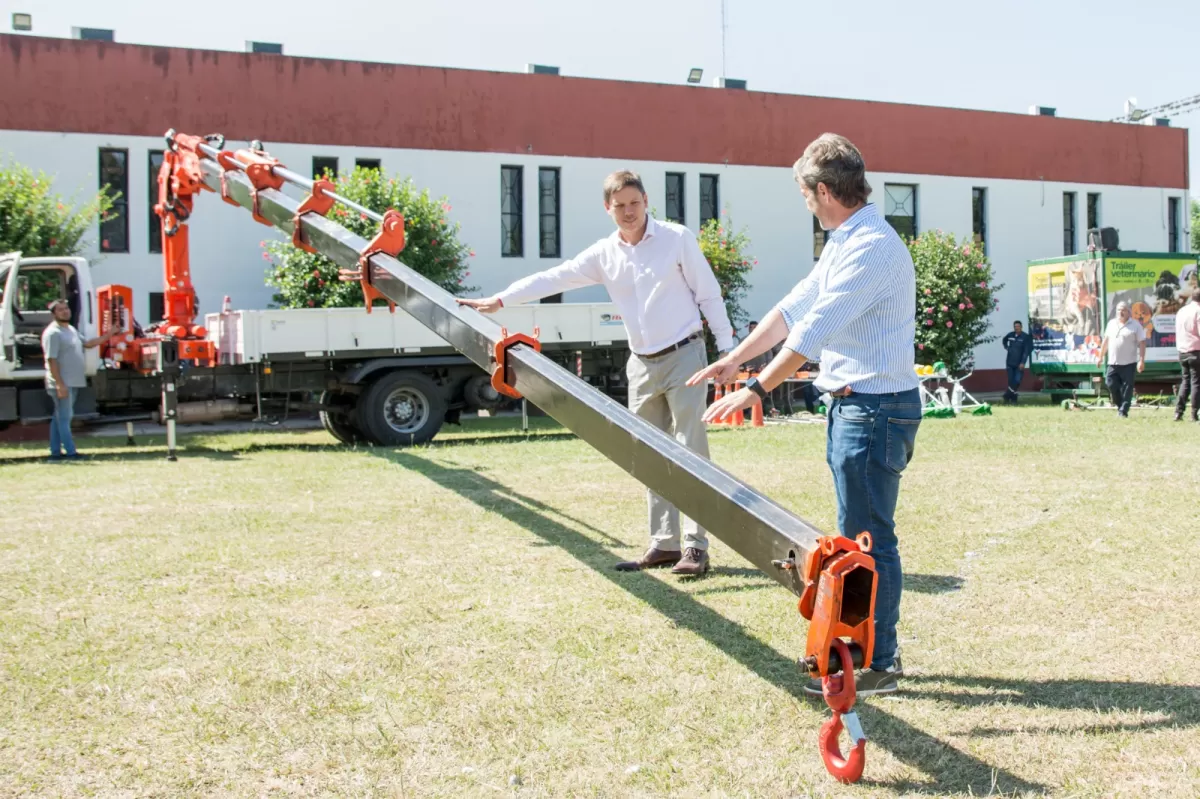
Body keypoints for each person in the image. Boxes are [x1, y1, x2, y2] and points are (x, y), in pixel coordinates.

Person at [689, 133, 920, 696]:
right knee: (858, 537)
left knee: (869, 541)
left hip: (874, 410)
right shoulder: (847, 239)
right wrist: (735, 360)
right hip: (857, 408)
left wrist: (757, 389)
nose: (807, 206)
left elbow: (813, 331)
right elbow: (794, 308)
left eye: (806, 196)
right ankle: (864, 653)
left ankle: (879, 662)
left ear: (824, 191)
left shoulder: (871, 246)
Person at [455, 170, 734, 577]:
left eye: (634, 203)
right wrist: (501, 300)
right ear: (608, 208)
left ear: (646, 201)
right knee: (649, 453)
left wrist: (726, 349)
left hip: (685, 355)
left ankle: (696, 547)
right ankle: (664, 544)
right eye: (620, 205)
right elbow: (555, 276)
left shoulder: (677, 239)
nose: (628, 212)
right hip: (641, 363)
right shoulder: (605, 254)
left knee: (691, 450)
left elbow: (708, 294)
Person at [42, 299, 113, 461]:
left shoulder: (71, 329)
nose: (65, 311)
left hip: (72, 381)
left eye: (66, 308)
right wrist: (59, 384)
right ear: (53, 314)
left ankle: (55, 454)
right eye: (60, 310)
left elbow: (88, 344)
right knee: (65, 418)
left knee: (59, 418)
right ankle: (71, 453)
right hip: (62, 382)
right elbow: (51, 360)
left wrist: (110, 334)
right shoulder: (53, 333)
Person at [1096, 300, 1146, 418]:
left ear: (1129, 312)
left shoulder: (1135, 325)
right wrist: (1100, 356)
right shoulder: (1111, 324)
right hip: (1113, 362)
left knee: (1128, 388)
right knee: (1110, 383)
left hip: (1129, 363)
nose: (1121, 312)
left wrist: (1141, 360)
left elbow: (1142, 342)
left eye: (1123, 310)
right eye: (1118, 310)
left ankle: (1123, 411)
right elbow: (1106, 341)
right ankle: (1120, 405)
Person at [1174, 289, 1200, 423]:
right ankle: (1194, 414)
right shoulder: (1198, 311)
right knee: (1196, 383)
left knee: (1185, 382)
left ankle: (1178, 412)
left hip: (1183, 351)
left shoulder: (1182, 311)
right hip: (1196, 351)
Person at [1001, 321, 1033, 404]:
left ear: (1021, 327)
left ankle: (1007, 395)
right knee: (1011, 381)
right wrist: (1006, 347)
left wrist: (1023, 362)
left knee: (1017, 381)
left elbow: (1026, 351)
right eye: (1015, 326)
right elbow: (1004, 340)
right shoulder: (1010, 335)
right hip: (1010, 362)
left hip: (1019, 363)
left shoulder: (1025, 337)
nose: (1016, 328)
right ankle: (1013, 399)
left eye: (1018, 326)